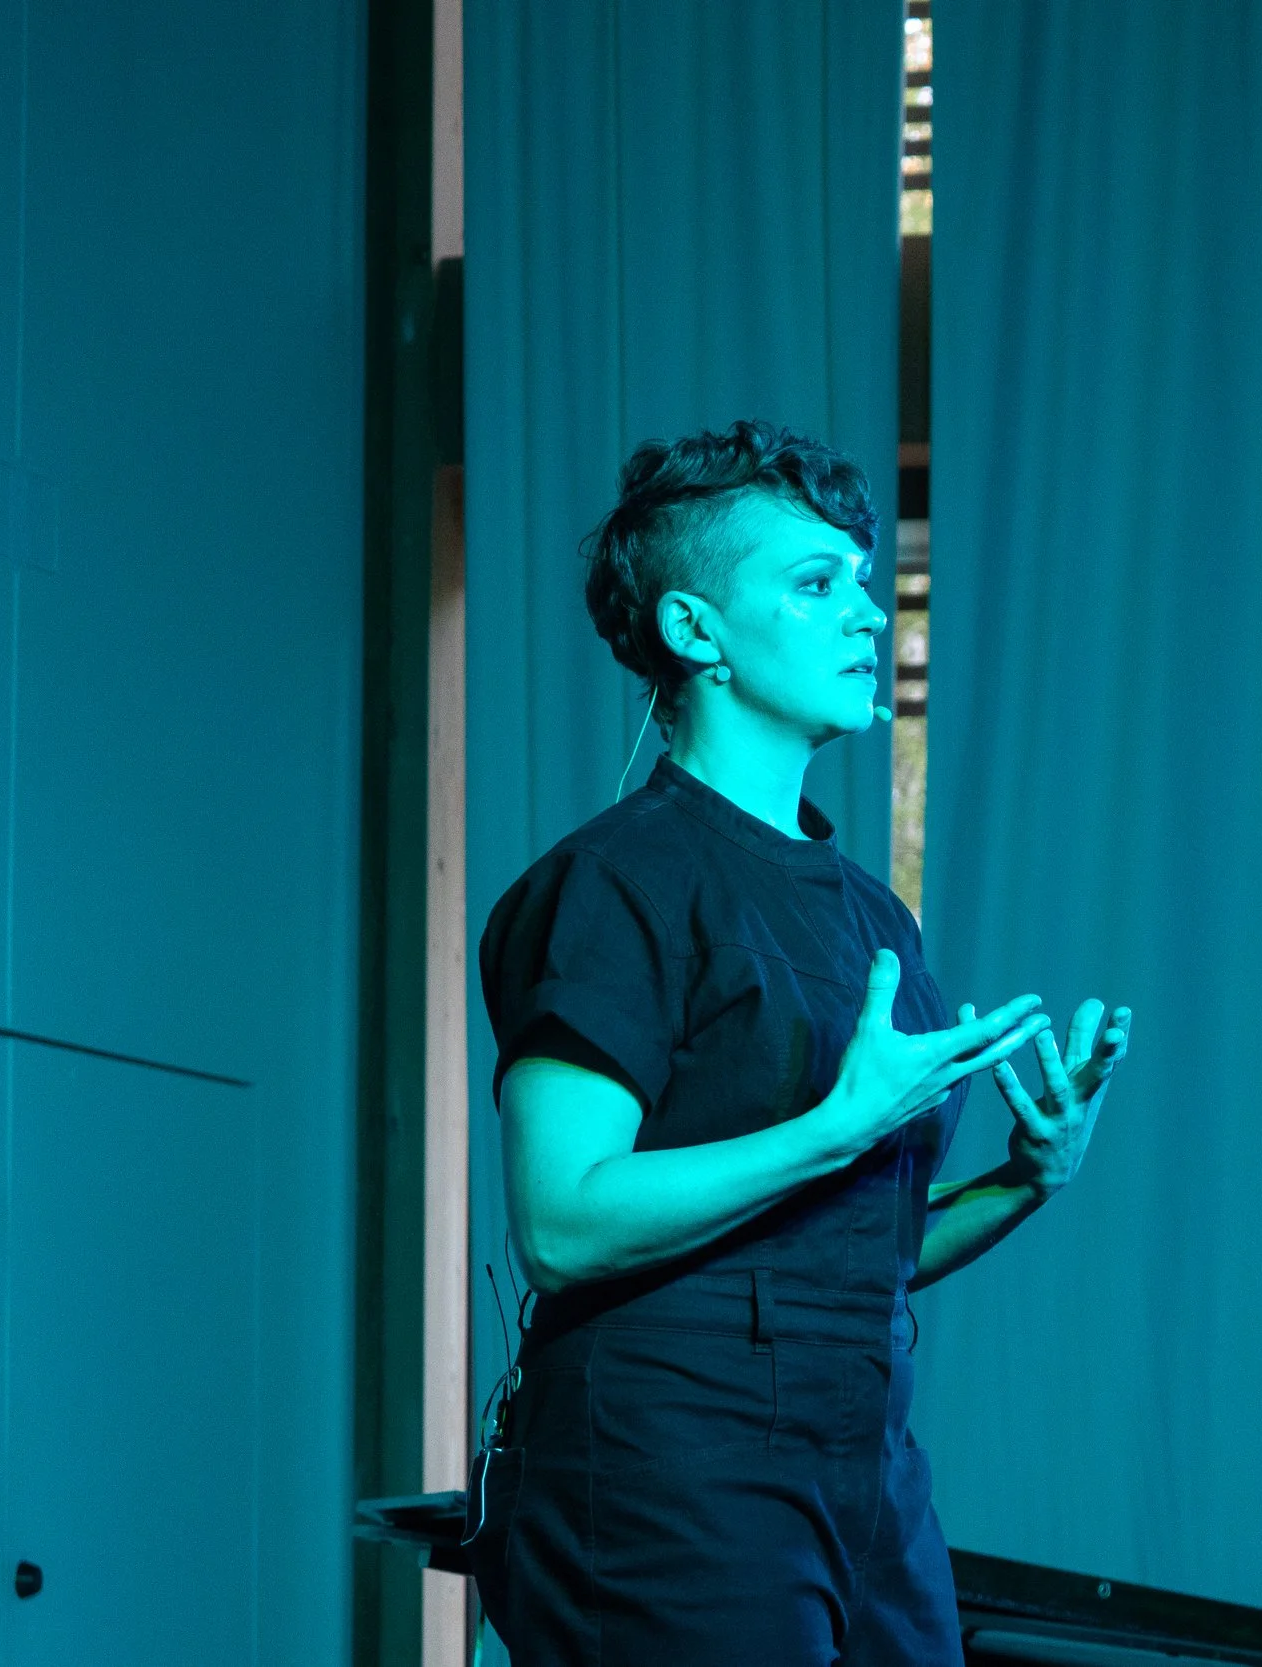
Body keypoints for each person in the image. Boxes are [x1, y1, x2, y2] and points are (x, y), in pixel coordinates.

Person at [468, 419, 1132, 1665]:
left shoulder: (873, 918)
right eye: (817, 583)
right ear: (695, 629)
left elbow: (851, 1256)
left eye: (864, 582)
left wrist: (1026, 1178)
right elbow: (561, 1221)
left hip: (865, 1462)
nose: (868, 614)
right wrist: (837, 1126)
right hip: (670, 1465)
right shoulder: (613, 882)